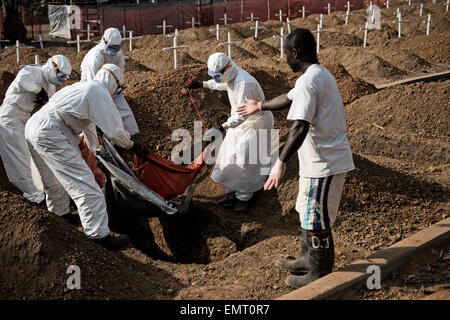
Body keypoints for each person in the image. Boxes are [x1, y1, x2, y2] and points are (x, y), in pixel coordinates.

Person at [236, 28, 355, 288]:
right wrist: (260, 105)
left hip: (325, 163)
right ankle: (306, 259)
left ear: (295, 53)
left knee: (316, 217)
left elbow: (300, 126)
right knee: (306, 210)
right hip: (317, 162)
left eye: (285, 53)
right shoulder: (316, 76)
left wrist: (279, 163)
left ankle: (320, 271)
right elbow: (288, 99)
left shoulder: (310, 81)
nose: (284, 59)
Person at [24, 64, 148, 250]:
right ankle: (98, 236)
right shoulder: (99, 93)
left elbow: (89, 127)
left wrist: (97, 152)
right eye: (119, 88)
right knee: (85, 185)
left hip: (34, 126)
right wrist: (133, 146)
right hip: (52, 132)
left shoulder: (85, 87)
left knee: (53, 181)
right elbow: (115, 133)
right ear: (114, 82)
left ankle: (60, 215)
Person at [186, 52, 274, 213]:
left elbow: (242, 114)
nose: (217, 79)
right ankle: (232, 192)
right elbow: (222, 84)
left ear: (227, 70)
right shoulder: (231, 77)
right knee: (228, 155)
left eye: (218, 76)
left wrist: (222, 127)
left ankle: (244, 197)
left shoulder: (244, 83)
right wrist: (203, 84)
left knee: (246, 159)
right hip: (238, 123)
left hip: (256, 122)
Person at [0, 55, 72, 204]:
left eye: (65, 78)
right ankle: (35, 198)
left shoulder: (51, 86)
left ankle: (47, 196)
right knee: (20, 158)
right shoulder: (33, 71)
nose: (62, 80)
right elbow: (22, 81)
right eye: (61, 76)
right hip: (10, 117)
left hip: (25, 120)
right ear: (52, 67)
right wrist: (38, 90)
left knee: (36, 157)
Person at [80, 27, 139, 136]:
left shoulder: (118, 53)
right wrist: (104, 98)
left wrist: (118, 85)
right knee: (98, 110)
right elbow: (92, 83)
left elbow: (120, 69)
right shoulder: (96, 56)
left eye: (117, 48)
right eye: (112, 47)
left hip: (111, 82)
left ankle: (131, 133)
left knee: (123, 108)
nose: (114, 51)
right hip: (91, 83)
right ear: (104, 41)